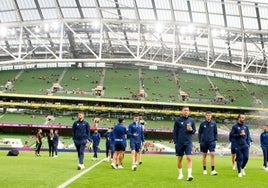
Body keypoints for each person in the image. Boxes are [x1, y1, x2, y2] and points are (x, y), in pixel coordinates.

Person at [173, 106, 196, 181]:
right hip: (180, 143)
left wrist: (191, 130)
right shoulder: (178, 121)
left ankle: (189, 175)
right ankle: (180, 174)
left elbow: (194, 131)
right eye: (185, 110)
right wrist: (176, 142)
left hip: (188, 142)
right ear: (182, 111)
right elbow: (175, 132)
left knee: (189, 158)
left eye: (187, 110)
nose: (186, 111)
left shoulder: (192, 120)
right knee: (180, 159)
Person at [198, 111, 218, 176]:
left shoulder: (214, 123)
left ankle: (213, 170)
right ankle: (204, 170)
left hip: (211, 142)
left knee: (212, 155)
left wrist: (215, 140)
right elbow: (199, 133)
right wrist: (200, 141)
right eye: (207, 115)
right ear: (205, 116)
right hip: (204, 142)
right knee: (204, 156)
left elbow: (215, 132)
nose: (208, 116)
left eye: (209, 115)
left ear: (211, 116)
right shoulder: (202, 124)